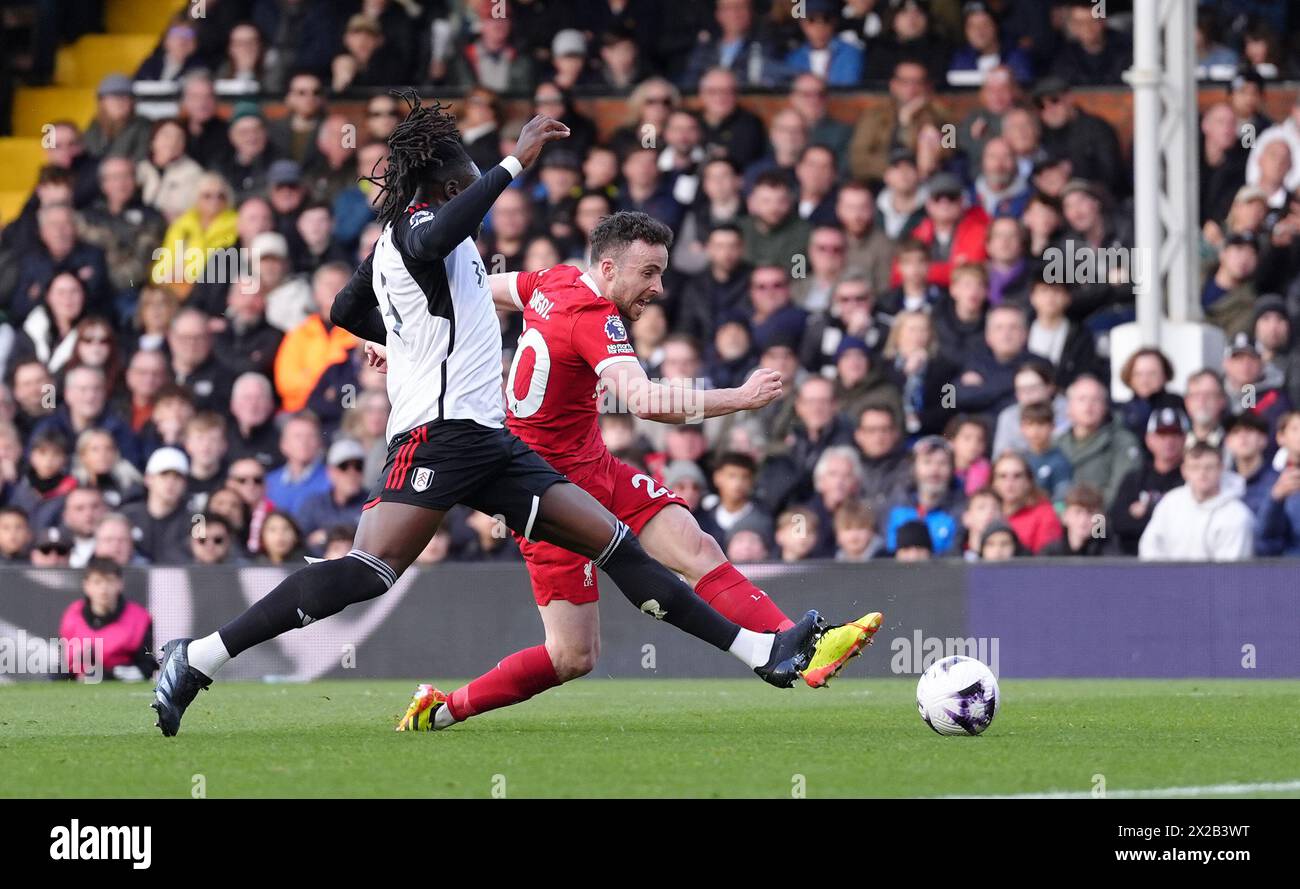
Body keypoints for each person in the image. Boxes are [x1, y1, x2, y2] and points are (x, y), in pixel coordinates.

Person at [154, 98, 831, 738]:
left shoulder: (441, 248)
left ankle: (760, 651)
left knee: (617, 544)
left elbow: (346, 312)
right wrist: (513, 164)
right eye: (472, 180)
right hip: (438, 438)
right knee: (368, 569)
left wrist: (409, 341)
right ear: (450, 185)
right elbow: (417, 247)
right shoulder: (417, 228)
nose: (480, 191)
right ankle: (201, 654)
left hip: (490, 444)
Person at [1139, 443, 1254, 561]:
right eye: (1195, 467)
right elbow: (1150, 547)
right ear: (1184, 471)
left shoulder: (1237, 515)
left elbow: (1230, 573)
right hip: (1165, 578)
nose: (1202, 473)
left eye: (1209, 467)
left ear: (1221, 469)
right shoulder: (1170, 502)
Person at [58, 558, 155, 682]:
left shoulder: (139, 618)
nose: (103, 589)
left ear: (120, 584)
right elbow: (66, 661)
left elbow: (146, 667)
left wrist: (109, 674)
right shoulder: (72, 615)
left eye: (109, 581)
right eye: (97, 582)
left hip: (120, 679)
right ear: (86, 586)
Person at [1110, 407, 1190, 555]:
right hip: (1133, 558)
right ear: (1149, 439)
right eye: (1162, 434)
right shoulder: (1134, 478)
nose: (1169, 441)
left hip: (1179, 558)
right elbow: (1118, 523)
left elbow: (1188, 526)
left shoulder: (1190, 478)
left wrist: (1146, 512)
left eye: (1175, 434)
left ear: (1185, 439)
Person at [1042, 483, 1112, 556]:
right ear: (1065, 516)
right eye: (1077, 512)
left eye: (1090, 513)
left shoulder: (1109, 554)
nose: (1083, 519)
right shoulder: (1050, 554)